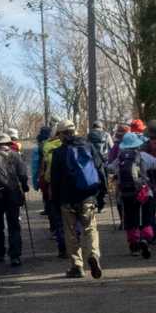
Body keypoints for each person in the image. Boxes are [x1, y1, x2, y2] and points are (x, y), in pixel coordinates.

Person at [47, 119, 107, 279]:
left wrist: (55, 203)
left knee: (71, 233)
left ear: (60, 135)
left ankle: (77, 266)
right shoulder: (89, 146)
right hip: (88, 196)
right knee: (90, 228)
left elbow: (54, 180)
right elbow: (101, 170)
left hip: (67, 199)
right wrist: (101, 194)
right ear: (74, 131)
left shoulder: (58, 153)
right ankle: (93, 254)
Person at [0, 133, 29, 267]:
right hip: (12, 194)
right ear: (8, 143)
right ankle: (15, 256)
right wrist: (24, 187)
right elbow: (22, 174)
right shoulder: (15, 155)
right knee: (14, 225)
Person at [113, 130, 156, 258]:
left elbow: (110, 167)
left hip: (126, 193)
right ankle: (145, 239)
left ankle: (134, 246)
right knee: (146, 218)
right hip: (144, 192)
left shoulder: (120, 158)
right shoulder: (143, 156)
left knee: (130, 219)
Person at [37, 125, 68, 258]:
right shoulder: (73, 145)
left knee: (57, 216)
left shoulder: (46, 146)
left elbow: (42, 168)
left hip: (53, 186)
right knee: (72, 217)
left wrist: (40, 183)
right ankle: (76, 245)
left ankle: (62, 246)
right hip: (71, 187)